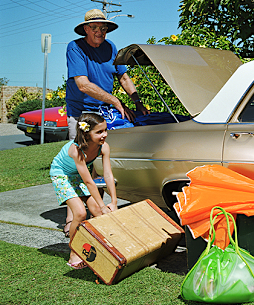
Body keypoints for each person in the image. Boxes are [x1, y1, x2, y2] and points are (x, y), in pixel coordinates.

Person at [66, 8, 149, 137]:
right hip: (81, 114)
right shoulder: (75, 48)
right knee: (82, 154)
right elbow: (83, 85)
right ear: (86, 29)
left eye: (103, 28)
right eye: (94, 28)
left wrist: (138, 103)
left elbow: (124, 78)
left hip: (105, 113)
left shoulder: (110, 47)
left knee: (109, 151)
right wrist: (116, 101)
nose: (99, 32)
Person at [50, 113, 118, 269]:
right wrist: (102, 205)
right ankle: (74, 251)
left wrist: (113, 202)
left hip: (76, 174)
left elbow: (108, 174)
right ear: (87, 133)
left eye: (105, 130)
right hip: (61, 174)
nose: (105, 135)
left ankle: (102, 246)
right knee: (80, 213)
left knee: (98, 212)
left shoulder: (104, 147)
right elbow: (89, 181)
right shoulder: (76, 150)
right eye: (99, 132)